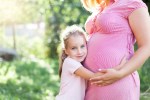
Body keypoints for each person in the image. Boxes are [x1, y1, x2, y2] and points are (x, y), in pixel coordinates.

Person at [80, 0, 150, 100]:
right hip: (90, 82)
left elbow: (146, 46)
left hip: (117, 81)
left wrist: (120, 73)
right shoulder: (101, 7)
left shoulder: (133, 3)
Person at [55, 25, 109, 100]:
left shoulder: (78, 63)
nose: (79, 52)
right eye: (74, 48)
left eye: (82, 46)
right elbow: (94, 77)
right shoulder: (70, 62)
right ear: (66, 51)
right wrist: (119, 69)